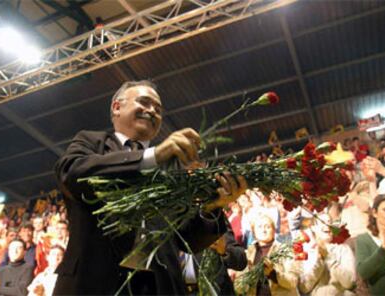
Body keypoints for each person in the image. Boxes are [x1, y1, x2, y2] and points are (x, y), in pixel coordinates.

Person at [53, 80, 246, 295]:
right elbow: (71, 173)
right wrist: (151, 158)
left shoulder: (173, 169)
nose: (152, 111)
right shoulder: (91, 142)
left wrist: (212, 207)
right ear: (117, 107)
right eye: (144, 102)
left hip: (159, 286)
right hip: (93, 282)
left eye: (158, 109)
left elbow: (188, 239)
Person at [234, 208, 299, 296]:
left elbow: (293, 281)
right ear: (254, 231)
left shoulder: (285, 250)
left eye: (267, 227)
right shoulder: (247, 254)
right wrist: (249, 275)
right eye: (259, 227)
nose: (263, 230)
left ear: (273, 230)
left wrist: (273, 274)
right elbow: (238, 287)